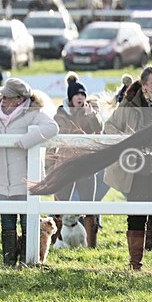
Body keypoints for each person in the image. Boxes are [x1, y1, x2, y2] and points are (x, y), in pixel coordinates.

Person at [104, 65, 152, 270]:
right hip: (135, 171)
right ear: (144, 85)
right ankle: (134, 264)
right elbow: (109, 127)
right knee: (136, 216)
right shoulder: (129, 105)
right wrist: (127, 141)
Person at [0, 78, 59, 266]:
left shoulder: (34, 113)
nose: (3, 99)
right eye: (3, 95)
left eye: (8, 97)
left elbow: (52, 128)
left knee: (28, 222)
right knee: (7, 222)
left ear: (19, 98)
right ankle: (9, 261)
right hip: (3, 178)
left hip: (27, 179)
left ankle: (27, 261)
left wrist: (26, 141)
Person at [48, 72, 104, 248]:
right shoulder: (60, 114)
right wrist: (49, 166)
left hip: (85, 165)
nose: (80, 98)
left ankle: (91, 246)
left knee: (89, 205)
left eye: (82, 95)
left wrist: (90, 115)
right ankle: (55, 241)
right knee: (59, 204)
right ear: (70, 97)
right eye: (77, 95)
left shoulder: (90, 113)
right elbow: (55, 138)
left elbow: (99, 128)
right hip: (65, 165)